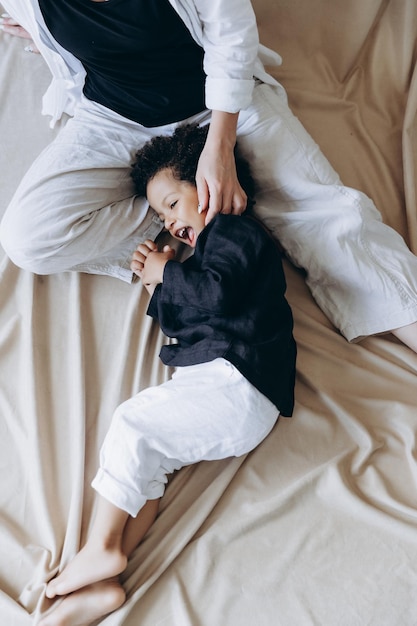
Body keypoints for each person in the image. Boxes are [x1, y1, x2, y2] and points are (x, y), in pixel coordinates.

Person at [1, 1, 417, 354]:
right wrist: (46, 35)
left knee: (329, 221)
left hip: (218, 107)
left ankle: (199, 202)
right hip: (112, 119)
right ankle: (186, 206)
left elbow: (232, 36)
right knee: (29, 237)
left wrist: (220, 150)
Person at [36, 123, 297, 626]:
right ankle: (108, 579)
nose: (168, 220)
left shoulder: (237, 232)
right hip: (222, 388)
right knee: (149, 465)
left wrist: (165, 274)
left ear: (209, 184)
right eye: (160, 215)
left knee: (133, 425)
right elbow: (193, 316)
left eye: (173, 204)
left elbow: (214, 295)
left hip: (239, 380)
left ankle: (99, 548)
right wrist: (163, 277)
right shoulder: (205, 255)